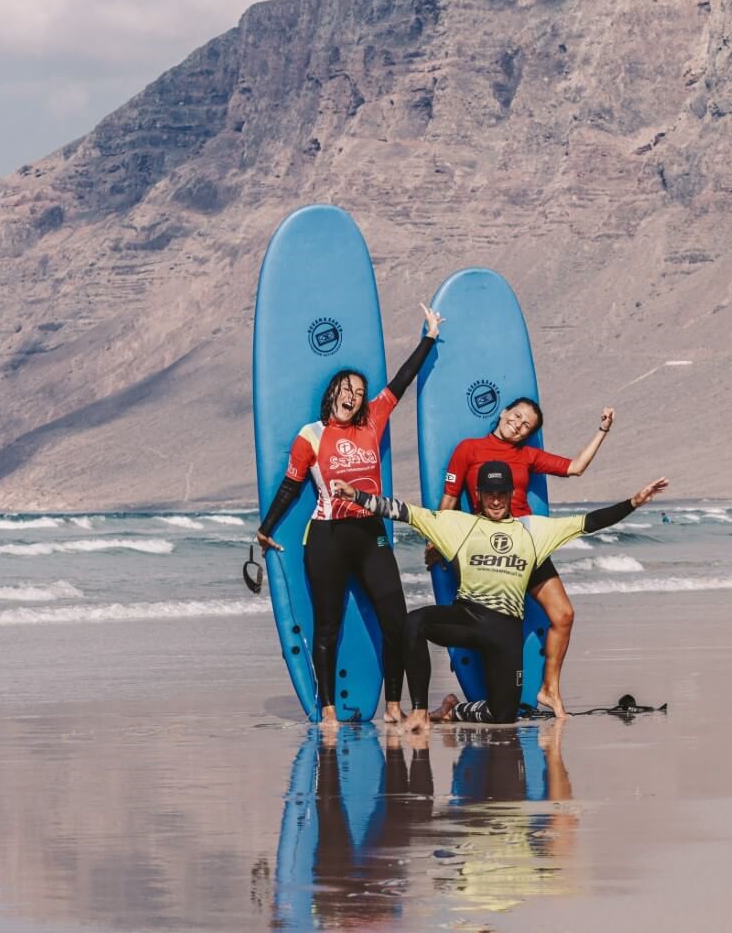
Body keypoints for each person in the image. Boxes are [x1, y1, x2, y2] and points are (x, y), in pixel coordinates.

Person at [332, 461, 668, 732]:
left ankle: (453, 709)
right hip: (468, 617)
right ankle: (419, 710)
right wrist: (356, 495)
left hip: (506, 630)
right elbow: (402, 511)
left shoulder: (534, 530)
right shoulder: (457, 525)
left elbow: (589, 522)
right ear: (478, 494)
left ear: (511, 493)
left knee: (504, 716)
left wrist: (634, 503)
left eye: (502, 492)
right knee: (414, 622)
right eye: (489, 492)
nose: (495, 499)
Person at [256, 304, 443, 726]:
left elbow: (403, 380)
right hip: (327, 538)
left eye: (359, 392)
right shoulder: (311, 435)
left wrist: (429, 337)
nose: (353, 395)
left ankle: (393, 704)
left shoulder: (373, 420)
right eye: (347, 388)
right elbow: (290, 485)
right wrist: (265, 529)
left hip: (371, 533)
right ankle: (327, 711)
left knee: (394, 619)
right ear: (333, 392)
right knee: (328, 627)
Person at [432, 398, 615, 719]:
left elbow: (575, 468)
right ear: (503, 413)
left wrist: (602, 430)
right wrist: (438, 540)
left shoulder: (527, 455)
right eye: (516, 416)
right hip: (484, 549)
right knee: (488, 628)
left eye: (526, 425)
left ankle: (549, 689)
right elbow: (449, 499)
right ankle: (476, 702)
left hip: (526, 544)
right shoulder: (468, 449)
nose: (517, 424)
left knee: (564, 614)